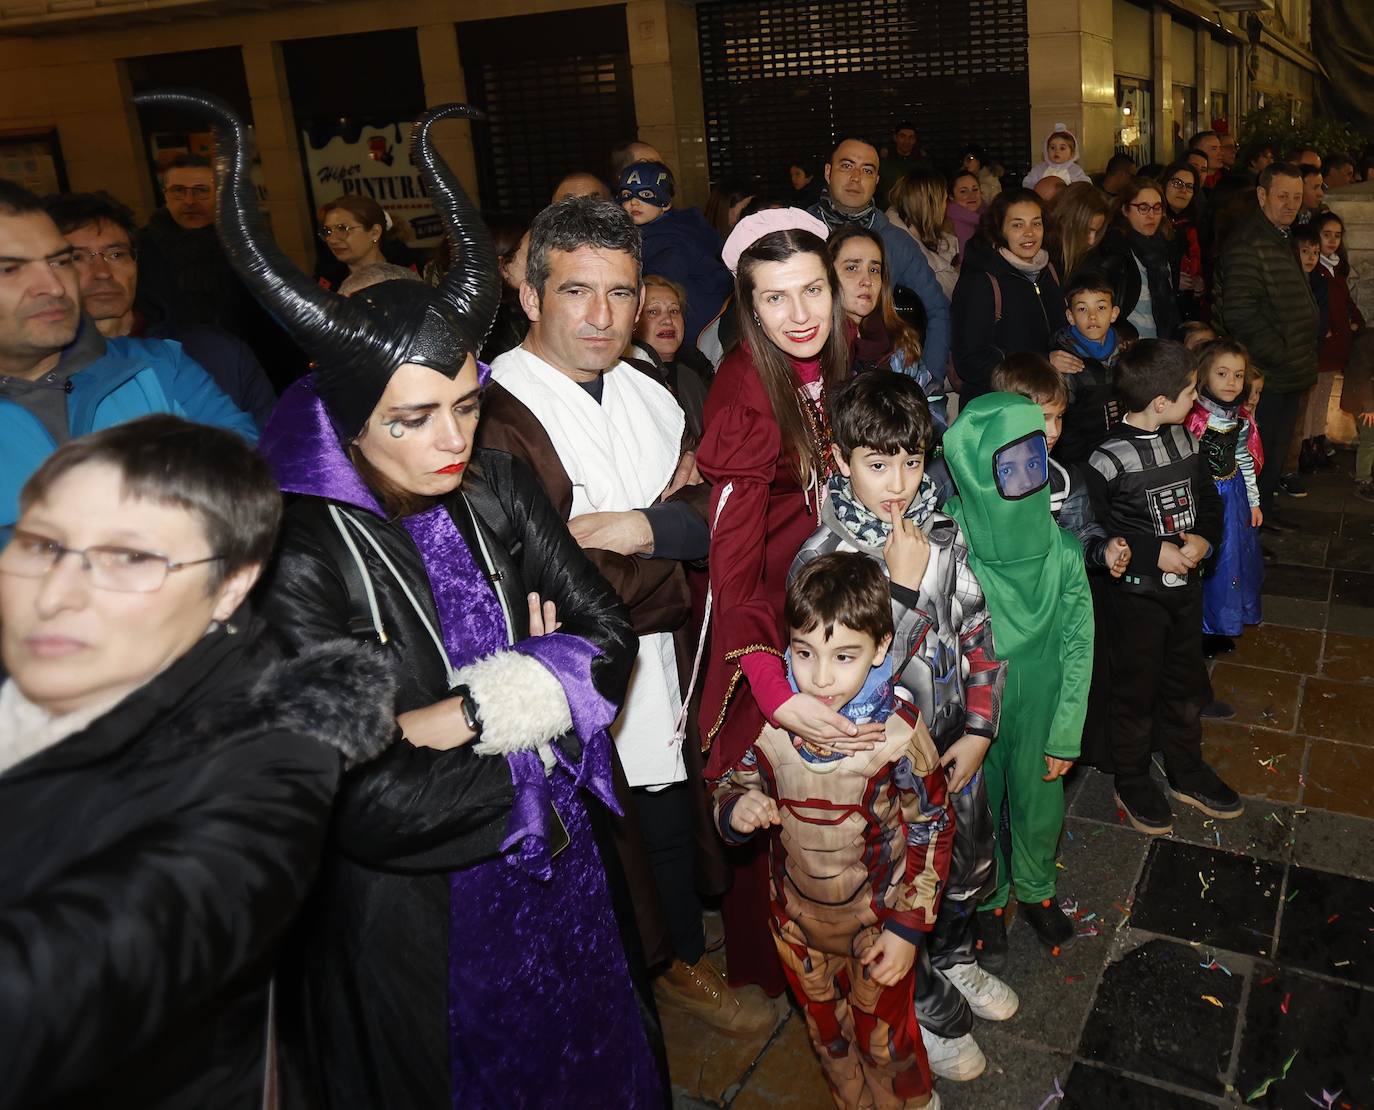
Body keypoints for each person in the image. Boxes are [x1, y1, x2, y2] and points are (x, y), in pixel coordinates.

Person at [135, 89, 665, 1107]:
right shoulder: (294, 551)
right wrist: (548, 725)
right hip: (421, 924)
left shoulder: (498, 485)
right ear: (343, 420)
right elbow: (364, 802)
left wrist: (472, 709)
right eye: (414, 419)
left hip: (561, 883)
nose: (452, 441)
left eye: (466, 406)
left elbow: (606, 633)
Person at [0, 415, 391, 1108]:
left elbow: (112, 951)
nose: (55, 595)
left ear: (233, 585)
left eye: (130, 559)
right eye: (41, 544)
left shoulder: (273, 754)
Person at [481, 195, 754, 1036]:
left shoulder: (646, 388)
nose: (603, 317)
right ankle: (654, 972)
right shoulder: (499, 416)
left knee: (670, 814)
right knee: (612, 842)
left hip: (670, 657)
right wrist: (680, 545)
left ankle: (679, 953)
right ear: (530, 296)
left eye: (622, 293)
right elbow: (556, 586)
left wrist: (645, 529)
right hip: (582, 678)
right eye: (575, 292)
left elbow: (719, 504)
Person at [792, 373, 1012, 1084]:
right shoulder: (825, 560)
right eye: (877, 464)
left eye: (911, 461)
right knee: (898, 889)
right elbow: (846, 681)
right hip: (882, 767)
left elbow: (978, 629)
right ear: (841, 459)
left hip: (952, 744)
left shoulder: (938, 530)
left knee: (966, 863)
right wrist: (904, 588)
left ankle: (951, 957)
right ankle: (922, 1008)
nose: (897, 481)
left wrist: (979, 727)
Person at [711, 551, 953, 1110]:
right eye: (803, 653)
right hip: (796, 930)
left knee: (886, 1043)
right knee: (830, 1042)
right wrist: (737, 808)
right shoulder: (767, 725)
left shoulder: (897, 733)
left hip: (879, 929)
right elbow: (730, 782)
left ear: (881, 648)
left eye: (844, 656)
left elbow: (932, 827)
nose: (820, 678)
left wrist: (909, 929)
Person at [697, 208, 864, 997]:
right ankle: (779, 981)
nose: (800, 316)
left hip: (824, 603)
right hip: (759, 627)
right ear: (746, 305)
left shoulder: (839, 349)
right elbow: (731, 573)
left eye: (813, 290)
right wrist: (769, 689)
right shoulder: (742, 396)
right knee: (769, 813)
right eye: (774, 299)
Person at [0, 178, 258, 531]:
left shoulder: (161, 367)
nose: (54, 286)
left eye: (59, 262)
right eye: (10, 268)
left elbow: (251, 480)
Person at [940, 392, 1094, 962]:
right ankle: (990, 898)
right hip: (973, 710)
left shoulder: (1064, 554)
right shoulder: (951, 546)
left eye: (1036, 459)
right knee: (978, 811)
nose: (1029, 477)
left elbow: (1080, 643)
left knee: (1040, 805)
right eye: (1008, 468)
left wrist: (1066, 729)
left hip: (1042, 705)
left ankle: (1035, 890)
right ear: (978, 476)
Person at [1084, 340, 1241, 835]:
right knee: (1134, 689)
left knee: (1184, 682)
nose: (1196, 398)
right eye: (1191, 391)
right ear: (1159, 403)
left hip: (1184, 593)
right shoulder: (1106, 460)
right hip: (1135, 599)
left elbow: (1209, 502)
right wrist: (1154, 553)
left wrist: (1204, 539)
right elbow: (1099, 530)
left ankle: (1185, 767)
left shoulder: (1186, 442)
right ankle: (1130, 776)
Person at [44, 190, 277, 428]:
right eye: (77, 258)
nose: (102, 273)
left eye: (116, 255)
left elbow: (273, 451)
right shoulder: (37, 374)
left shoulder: (214, 353)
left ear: (136, 263)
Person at [1213, 163, 1319, 519]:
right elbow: (1241, 315)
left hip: (1290, 370)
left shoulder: (1282, 236)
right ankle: (1253, 527)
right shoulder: (1248, 243)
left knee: (1274, 453)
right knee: (1259, 455)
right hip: (1271, 372)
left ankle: (1266, 517)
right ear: (1262, 196)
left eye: (1296, 197)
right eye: (1282, 196)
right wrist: (1284, 355)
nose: (1290, 204)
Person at [807, 137, 952, 378]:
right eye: (846, 165)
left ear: (876, 181)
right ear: (828, 172)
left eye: (867, 170)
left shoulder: (896, 243)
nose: (856, 177)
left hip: (876, 378)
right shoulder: (799, 235)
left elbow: (937, 310)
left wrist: (928, 386)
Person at [137, 153, 293, 373]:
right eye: (179, 191)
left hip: (248, 364)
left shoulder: (247, 245)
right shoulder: (139, 249)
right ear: (165, 195)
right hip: (168, 367)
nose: (190, 201)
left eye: (201, 190)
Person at [950, 188, 1070, 402]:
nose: (1029, 233)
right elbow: (970, 361)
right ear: (999, 230)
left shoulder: (1048, 270)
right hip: (999, 410)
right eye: (1017, 225)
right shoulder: (981, 281)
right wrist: (1043, 363)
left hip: (1047, 403)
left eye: (1036, 223)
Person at [1184, 339, 1264, 657]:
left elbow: (1243, 458)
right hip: (1203, 500)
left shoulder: (1239, 417)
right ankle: (1201, 626)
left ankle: (1221, 622)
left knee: (1231, 561)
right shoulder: (1194, 419)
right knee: (1208, 562)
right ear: (1204, 375)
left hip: (1233, 498)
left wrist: (1255, 501)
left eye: (1238, 375)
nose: (1232, 382)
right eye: (1222, 373)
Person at [827, 226, 948, 425]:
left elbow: (933, 405)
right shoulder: (816, 348)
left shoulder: (899, 343)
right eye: (852, 267)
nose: (867, 280)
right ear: (827, 276)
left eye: (874, 270)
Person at [617, 160, 733, 346]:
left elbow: (655, 292)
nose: (634, 202)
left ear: (665, 203)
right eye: (626, 195)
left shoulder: (671, 241)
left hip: (700, 335)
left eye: (647, 194)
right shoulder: (671, 229)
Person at [1079, 177, 1180, 341]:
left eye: (1157, 208)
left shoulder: (1164, 246)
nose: (1151, 215)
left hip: (1163, 343)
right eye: (1143, 207)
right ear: (1125, 210)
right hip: (1130, 345)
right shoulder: (1114, 249)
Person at [1051, 272, 1128, 465]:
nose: (1092, 316)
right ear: (1070, 316)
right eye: (1082, 309)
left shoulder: (1126, 354)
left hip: (1122, 453)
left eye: (1101, 307)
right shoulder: (1066, 363)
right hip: (1082, 459)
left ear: (1114, 313)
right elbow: (1065, 425)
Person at [627, 274, 714, 443]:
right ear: (633, 322)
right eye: (653, 311)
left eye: (674, 311)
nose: (668, 320)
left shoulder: (698, 370)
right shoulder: (626, 377)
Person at [1310, 212, 1364, 468]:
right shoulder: (1315, 269)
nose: (1332, 240)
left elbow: (1345, 301)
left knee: (1322, 397)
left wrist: (1355, 322)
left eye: (1337, 235)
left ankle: (1317, 442)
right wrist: (1326, 328)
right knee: (1313, 398)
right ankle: (1308, 446)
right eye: (1326, 234)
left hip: (1335, 346)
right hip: (1320, 345)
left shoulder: (1336, 267)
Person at [888, 168, 959, 299]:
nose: (946, 206)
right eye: (944, 200)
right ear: (932, 206)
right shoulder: (913, 260)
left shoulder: (903, 238)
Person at [1157, 161, 1205, 321]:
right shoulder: (1153, 221)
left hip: (1187, 307)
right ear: (1164, 183)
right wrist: (1172, 280)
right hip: (1161, 307)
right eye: (1177, 183)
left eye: (1190, 187)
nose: (1183, 190)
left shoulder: (1194, 224)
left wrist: (1199, 281)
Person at [1047, 180, 1111, 278]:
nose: (1091, 241)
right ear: (1067, 222)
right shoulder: (1041, 255)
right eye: (1087, 230)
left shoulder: (1090, 255)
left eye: (1097, 231)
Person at [1339, 330, 1374, 502]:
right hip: (1362, 401)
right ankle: (1363, 479)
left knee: (1368, 439)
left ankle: (1363, 471)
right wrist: (1368, 405)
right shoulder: (1367, 341)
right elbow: (1361, 375)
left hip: (1364, 399)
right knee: (1369, 439)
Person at [877, 119, 931, 208]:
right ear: (895, 137)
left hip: (914, 209)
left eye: (911, 137)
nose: (907, 141)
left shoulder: (922, 163)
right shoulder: (885, 161)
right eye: (902, 136)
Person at [1022, 124, 1091, 188]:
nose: (1057, 151)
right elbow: (1027, 183)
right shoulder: (1039, 169)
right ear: (1046, 150)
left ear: (1072, 153)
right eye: (1052, 148)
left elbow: (1085, 186)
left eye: (1062, 148)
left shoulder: (1075, 171)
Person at [947, 169, 985, 258]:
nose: (972, 195)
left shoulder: (990, 217)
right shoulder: (948, 225)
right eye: (963, 191)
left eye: (975, 189)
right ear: (951, 196)